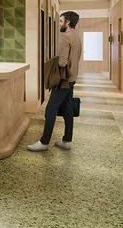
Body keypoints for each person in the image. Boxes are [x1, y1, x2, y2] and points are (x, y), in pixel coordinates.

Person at [28, 11, 83, 151]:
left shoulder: (65, 37)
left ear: (68, 22)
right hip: (72, 78)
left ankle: (44, 142)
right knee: (67, 109)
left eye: (60, 21)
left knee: (50, 109)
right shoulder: (77, 37)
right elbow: (76, 58)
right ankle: (66, 140)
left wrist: (54, 62)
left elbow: (63, 62)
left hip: (63, 80)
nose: (59, 24)